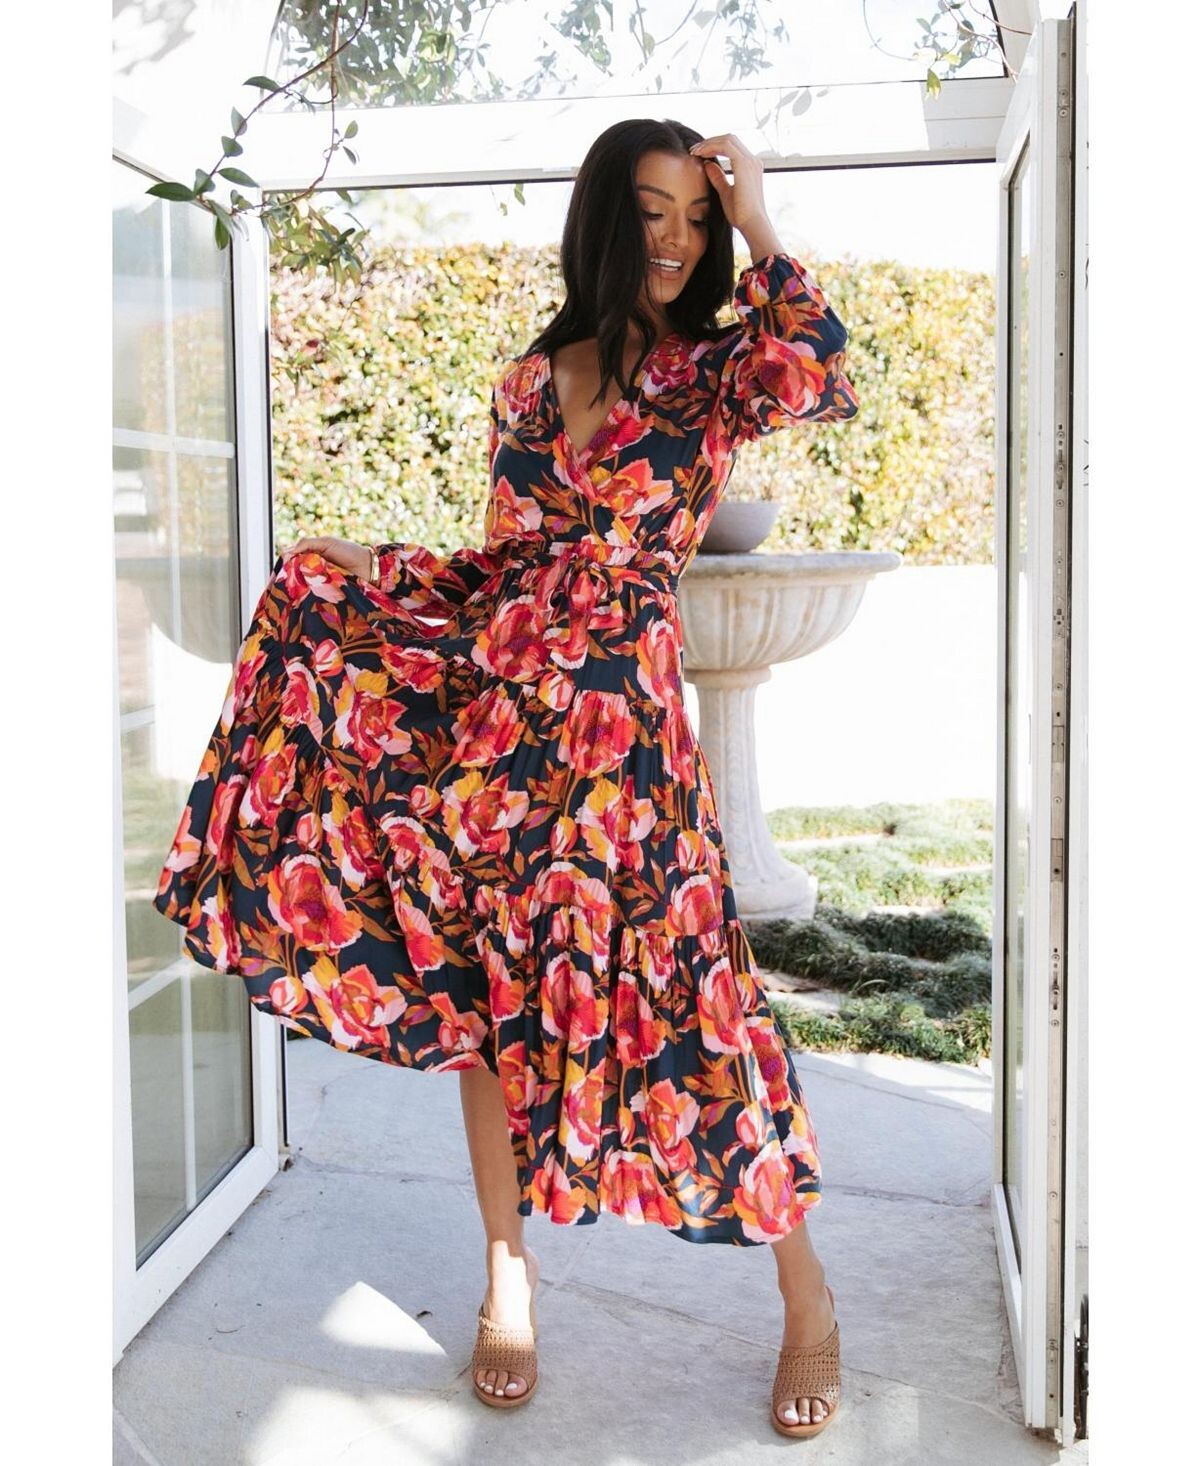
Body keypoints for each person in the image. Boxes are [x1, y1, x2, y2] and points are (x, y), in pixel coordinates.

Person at [153, 117, 858, 1439]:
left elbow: (818, 367)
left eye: (694, 220)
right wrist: (375, 568)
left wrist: (758, 215)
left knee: (702, 1009)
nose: (675, 241)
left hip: (631, 755)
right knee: (490, 1006)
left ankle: (807, 1297)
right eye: (653, 211)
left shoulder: (718, 375)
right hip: (501, 742)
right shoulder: (532, 384)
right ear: (604, 216)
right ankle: (507, 1279)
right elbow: (501, 573)